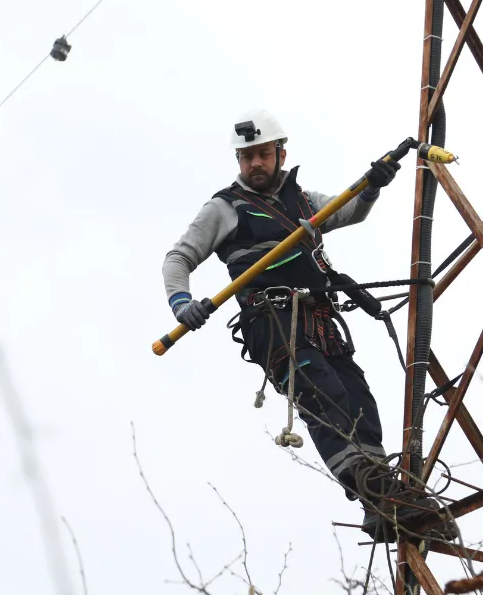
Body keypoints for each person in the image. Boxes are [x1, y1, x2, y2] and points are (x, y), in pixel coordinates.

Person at [161, 109, 458, 543]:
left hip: (318, 316)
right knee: (321, 392)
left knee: (358, 397)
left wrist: (372, 186)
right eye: (246, 158)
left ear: (281, 154)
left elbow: (351, 211)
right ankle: (378, 492)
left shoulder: (302, 201)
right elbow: (178, 258)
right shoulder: (225, 208)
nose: (255, 164)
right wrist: (182, 302)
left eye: (263, 154)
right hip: (272, 320)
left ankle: (380, 498)